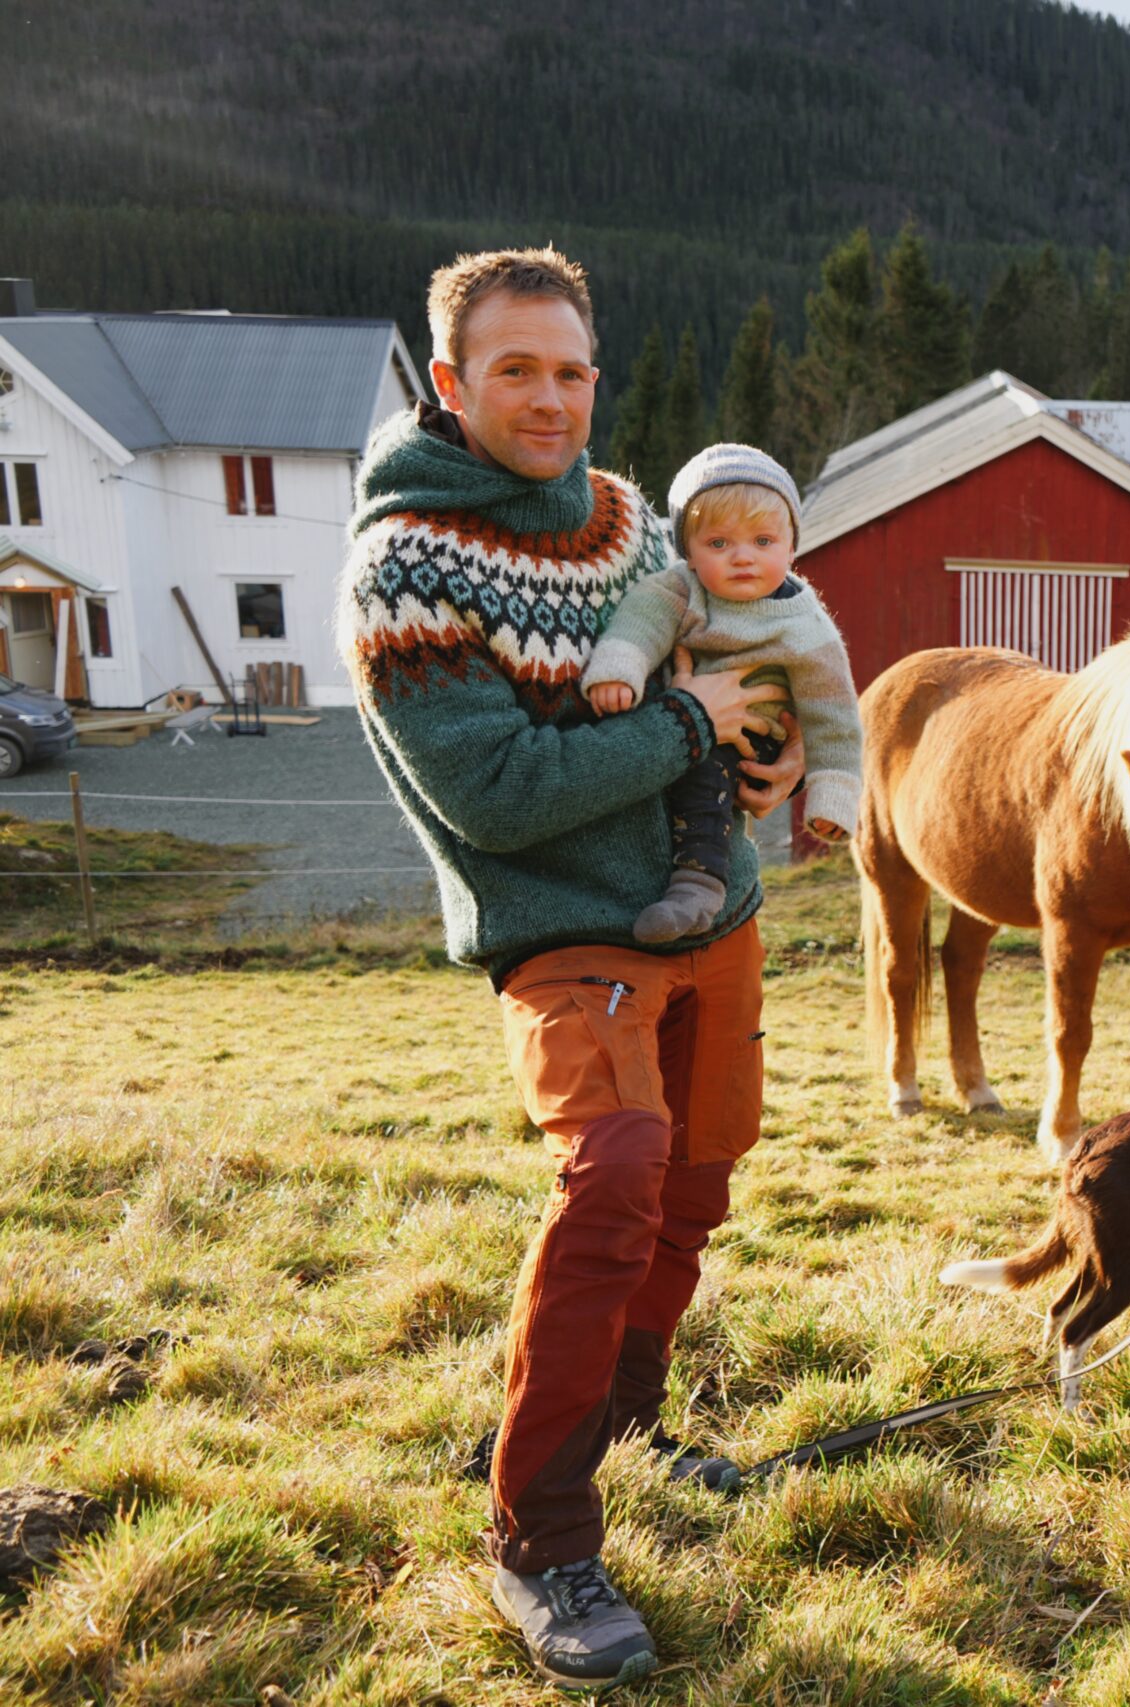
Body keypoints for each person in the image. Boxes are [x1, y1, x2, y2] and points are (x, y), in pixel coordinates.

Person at [338, 247, 802, 1693]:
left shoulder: (624, 516)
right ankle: (539, 1534)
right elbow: (502, 793)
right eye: (516, 370)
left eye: (571, 369)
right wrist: (688, 722)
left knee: (701, 1173)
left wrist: (763, 744)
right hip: (566, 929)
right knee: (615, 1168)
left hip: (708, 904)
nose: (551, 398)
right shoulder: (403, 568)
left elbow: (726, 665)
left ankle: (627, 1413)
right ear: (449, 382)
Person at [582, 443, 864, 942]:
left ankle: (698, 887)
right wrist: (619, 669)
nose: (742, 558)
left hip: (754, 734)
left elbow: (832, 712)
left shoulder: (805, 624)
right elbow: (641, 622)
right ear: (688, 552)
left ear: (792, 548)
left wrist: (833, 792)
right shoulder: (680, 589)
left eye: (762, 541)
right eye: (718, 544)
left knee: (708, 777)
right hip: (678, 719)